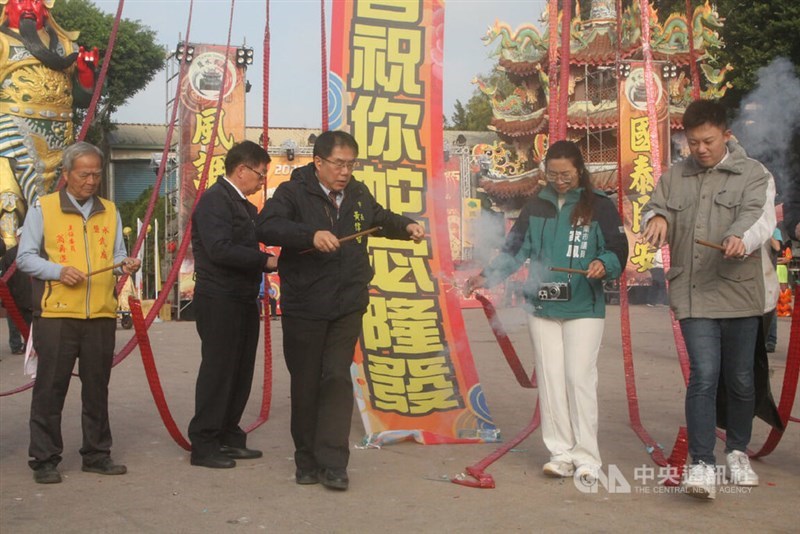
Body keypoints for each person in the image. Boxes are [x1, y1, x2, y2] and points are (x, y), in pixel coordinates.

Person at [257, 131, 425, 490]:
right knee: (306, 382)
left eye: (351, 164)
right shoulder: (293, 192)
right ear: (318, 162)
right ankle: (306, 460)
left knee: (335, 378)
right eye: (339, 164)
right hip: (305, 303)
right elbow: (267, 224)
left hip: (347, 302)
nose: (346, 172)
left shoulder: (358, 193)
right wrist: (309, 235)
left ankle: (334, 462)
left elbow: (379, 218)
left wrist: (406, 225)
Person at [466, 140, 628, 484]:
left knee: (578, 377)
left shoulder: (599, 205)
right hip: (541, 304)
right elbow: (514, 250)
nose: (559, 180)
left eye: (566, 174)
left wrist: (604, 263)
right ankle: (560, 453)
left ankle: (586, 456)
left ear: (579, 171)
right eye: (552, 174)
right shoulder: (535, 206)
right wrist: (487, 275)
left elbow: (617, 246)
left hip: (584, 305)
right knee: (552, 379)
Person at [642, 99, 776, 500]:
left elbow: (759, 217)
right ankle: (701, 462)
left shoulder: (754, 173)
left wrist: (741, 238)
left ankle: (736, 450)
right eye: (693, 142)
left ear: (726, 135)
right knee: (703, 375)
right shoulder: (675, 176)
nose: (700, 149)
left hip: (739, 290)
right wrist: (658, 219)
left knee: (739, 377)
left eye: (708, 141)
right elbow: (653, 207)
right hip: (693, 290)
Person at [16, 141, 141, 484]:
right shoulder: (44, 208)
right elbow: (25, 257)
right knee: (50, 388)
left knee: (97, 387)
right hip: (57, 314)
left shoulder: (110, 210)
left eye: (96, 174)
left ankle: (97, 454)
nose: (91, 181)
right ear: (67, 174)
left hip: (100, 314)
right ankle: (44, 458)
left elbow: (117, 256)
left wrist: (125, 265)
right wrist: (58, 271)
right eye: (84, 174)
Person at [187, 140, 277, 469]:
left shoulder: (242, 206)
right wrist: (263, 260)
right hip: (218, 298)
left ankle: (229, 434)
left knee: (241, 369)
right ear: (241, 170)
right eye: (260, 173)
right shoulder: (214, 202)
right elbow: (220, 249)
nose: (262, 180)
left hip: (242, 297)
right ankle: (205, 442)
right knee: (219, 370)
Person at [0, 0, 99, 247]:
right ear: (6, 5)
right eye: (19, 1)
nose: (27, 7)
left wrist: (87, 75)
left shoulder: (66, 46)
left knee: (56, 198)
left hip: (59, 133)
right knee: (9, 197)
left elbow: (83, 99)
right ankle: (10, 248)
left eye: (34, 1)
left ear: (46, 6)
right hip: (11, 126)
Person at [0, 226, 33, 354]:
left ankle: (29, 345)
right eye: (21, 237)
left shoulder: (35, 254)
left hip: (29, 294)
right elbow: (4, 277)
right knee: (14, 323)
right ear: (17, 238)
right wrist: (5, 297)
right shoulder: (10, 255)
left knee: (30, 323)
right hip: (13, 295)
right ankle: (15, 345)